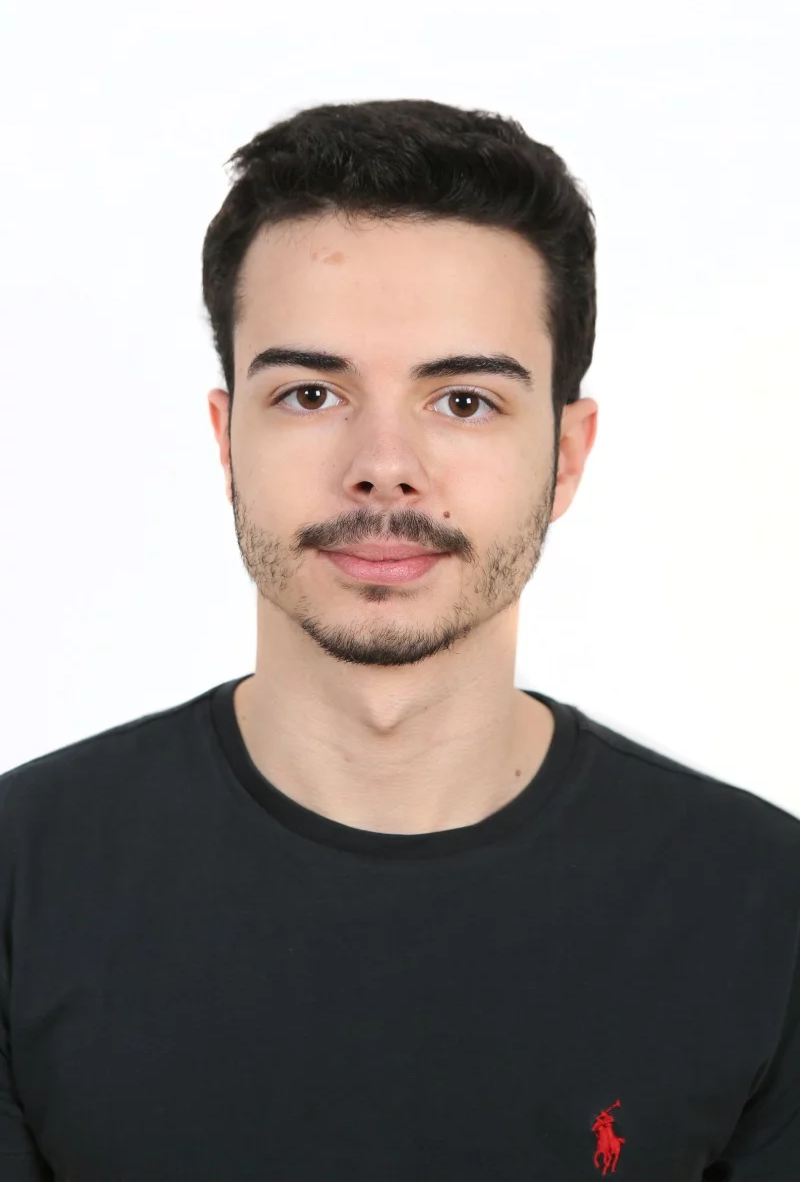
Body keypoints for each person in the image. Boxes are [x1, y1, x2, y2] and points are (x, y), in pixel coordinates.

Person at [1, 98, 797, 1182]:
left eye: (462, 401)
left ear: (566, 456)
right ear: (226, 441)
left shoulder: (762, 911)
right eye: (311, 393)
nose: (383, 467)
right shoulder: (22, 888)